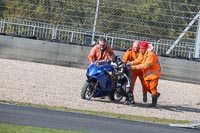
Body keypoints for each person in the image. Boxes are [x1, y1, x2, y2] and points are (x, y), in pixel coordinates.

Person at [129, 41, 162, 107]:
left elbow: (145, 65)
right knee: (146, 87)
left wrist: (134, 67)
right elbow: (138, 60)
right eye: (141, 48)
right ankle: (156, 94)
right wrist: (130, 63)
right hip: (147, 75)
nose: (142, 50)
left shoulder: (151, 55)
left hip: (154, 75)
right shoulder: (142, 53)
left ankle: (154, 103)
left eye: (143, 48)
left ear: (146, 48)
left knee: (153, 88)